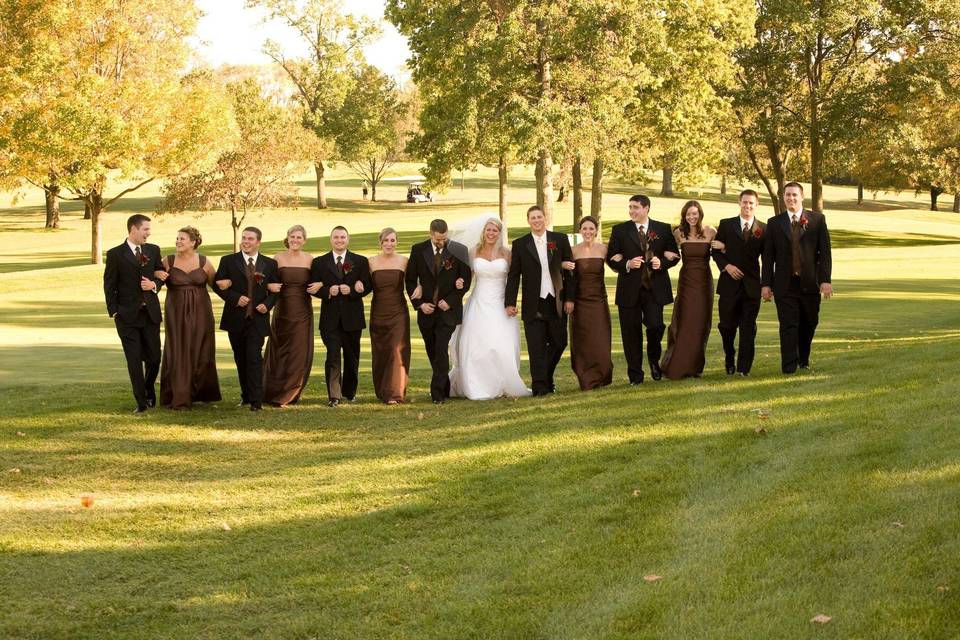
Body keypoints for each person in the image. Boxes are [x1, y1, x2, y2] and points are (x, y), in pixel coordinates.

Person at [449, 217, 531, 400]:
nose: (491, 233)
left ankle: (503, 382)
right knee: (476, 345)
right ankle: (476, 384)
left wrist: (511, 303)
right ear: (483, 232)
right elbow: (466, 277)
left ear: (499, 233)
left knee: (501, 344)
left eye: (495, 230)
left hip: (501, 303)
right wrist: (459, 282)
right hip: (478, 302)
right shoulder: (473, 252)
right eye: (488, 230)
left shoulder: (507, 253)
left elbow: (514, 279)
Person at [606, 194, 680, 384]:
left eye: (636, 207)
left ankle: (654, 361)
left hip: (654, 290)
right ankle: (635, 375)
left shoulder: (662, 229)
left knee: (656, 326)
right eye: (630, 207)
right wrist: (628, 263)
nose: (632, 211)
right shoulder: (620, 230)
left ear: (646, 208)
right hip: (629, 290)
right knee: (630, 333)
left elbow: (674, 255)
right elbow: (612, 256)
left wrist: (661, 262)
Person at [762, 181, 833, 373]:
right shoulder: (774, 223)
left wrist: (825, 280)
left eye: (794, 195)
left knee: (809, 323)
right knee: (788, 325)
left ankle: (803, 359)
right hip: (784, 285)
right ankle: (789, 366)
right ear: (783, 197)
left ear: (802, 197)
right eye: (787, 195)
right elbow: (768, 258)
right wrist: (766, 284)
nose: (791, 198)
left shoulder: (817, 220)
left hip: (810, 283)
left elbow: (825, 253)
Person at [504, 205, 576, 396]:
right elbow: (514, 275)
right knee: (536, 348)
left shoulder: (559, 239)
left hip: (557, 301)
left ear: (545, 218)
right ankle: (540, 388)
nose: (536, 220)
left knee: (560, 342)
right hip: (533, 304)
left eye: (539, 217)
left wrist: (570, 298)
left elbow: (569, 271)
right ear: (528, 221)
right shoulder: (520, 244)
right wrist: (510, 302)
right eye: (532, 218)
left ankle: (546, 377)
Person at [103, 214, 165, 413]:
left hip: (150, 314)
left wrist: (154, 284)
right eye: (145, 229)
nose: (149, 233)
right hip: (126, 316)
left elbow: (161, 274)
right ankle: (141, 402)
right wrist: (114, 311)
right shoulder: (115, 254)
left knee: (154, 358)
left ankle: (148, 389)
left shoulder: (153, 250)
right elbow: (109, 284)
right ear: (133, 229)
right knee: (134, 359)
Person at [405, 219, 472, 404]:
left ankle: (437, 395)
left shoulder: (459, 250)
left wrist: (449, 302)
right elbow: (410, 280)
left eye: (444, 238)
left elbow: (465, 281)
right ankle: (445, 385)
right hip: (426, 311)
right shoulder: (418, 250)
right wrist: (419, 304)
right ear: (430, 234)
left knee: (441, 349)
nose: (441, 242)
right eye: (438, 239)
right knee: (432, 350)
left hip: (448, 311)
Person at [154, 226, 221, 409]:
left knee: (200, 349)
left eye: (182, 239)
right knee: (178, 349)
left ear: (193, 242)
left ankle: (200, 392)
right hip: (176, 312)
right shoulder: (168, 261)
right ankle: (179, 395)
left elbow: (216, 285)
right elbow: (155, 281)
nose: (178, 241)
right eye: (177, 238)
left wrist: (230, 286)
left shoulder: (204, 262)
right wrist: (156, 274)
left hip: (201, 311)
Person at [213, 226, 278, 411]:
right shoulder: (228, 261)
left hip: (257, 320)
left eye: (250, 239)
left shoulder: (269, 264)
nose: (246, 241)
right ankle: (246, 396)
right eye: (244, 238)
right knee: (241, 358)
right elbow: (218, 285)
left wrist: (268, 304)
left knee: (254, 358)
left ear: (258, 242)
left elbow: (275, 290)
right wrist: (234, 297)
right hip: (235, 319)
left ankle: (257, 401)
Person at [310, 226, 371, 407]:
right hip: (330, 319)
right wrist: (329, 290)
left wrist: (352, 290)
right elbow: (312, 287)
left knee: (352, 358)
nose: (339, 240)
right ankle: (334, 395)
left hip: (353, 318)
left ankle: (349, 392)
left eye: (342, 237)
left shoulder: (360, 261)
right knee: (333, 356)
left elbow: (367, 286)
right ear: (331, 240)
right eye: (336, 237)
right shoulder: (319, 262)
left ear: (348, 239)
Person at [263, 225, 320, 406]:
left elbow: (319, 282)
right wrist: (268, 286)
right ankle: (272, 389)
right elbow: (267, 282)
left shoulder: (310, 259)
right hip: (282, 310)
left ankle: (290, 392)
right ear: (287, 238)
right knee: (279, 350)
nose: (295, 240)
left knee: (298, 352)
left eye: (299, 237)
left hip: (302, 311)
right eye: (292, 237)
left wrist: (320, 285)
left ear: (304, 240)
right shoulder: (278, 258)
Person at [712, 189, 767, 376]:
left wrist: (767, 285)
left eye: (751, 203)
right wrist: (727, 266)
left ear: (756, 205)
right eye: (745, 202)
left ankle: (744, 369)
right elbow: (715, 251)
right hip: (729, 286)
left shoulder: (763, 229)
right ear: (739, 202)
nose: (748, 206)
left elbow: (768, 259)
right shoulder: (726, 225)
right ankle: (729, 356)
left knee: (748, 329)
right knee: (726, 326)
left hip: (752, 288)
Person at [659, 201, 715, 380]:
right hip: (686, 282)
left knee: (700, 323)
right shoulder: (678, 233)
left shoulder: (710, 231)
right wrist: (667, 254)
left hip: (704, 282)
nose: (692, 217)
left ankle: (694, 366)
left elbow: (727, 250)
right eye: (688, 214)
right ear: (684, 216)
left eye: (695, 214)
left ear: (700, 214)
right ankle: (677, 365)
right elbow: (663, 248)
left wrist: (722, 246)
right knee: (684, 321)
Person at [568, 216, 613, 390]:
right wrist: (569, 300)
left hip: (599, 301)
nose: (588, 232)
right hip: (580, 302)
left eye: (591, 228)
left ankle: (602, 375)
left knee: (600, 339)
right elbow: (568, 279)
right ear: (580, 231)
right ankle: (586, 376)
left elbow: (618, 266)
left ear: (596, 230)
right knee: (583, 340)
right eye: (584, 228)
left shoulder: (604, 249)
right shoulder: (573, 251)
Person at [369, 227, 411, 404]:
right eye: (386, 240)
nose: (389, 244)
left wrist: (420, 288)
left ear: (397, 242)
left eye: (392, 240)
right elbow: (362, 284)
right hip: (378, 311)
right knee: (381, 351)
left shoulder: (404, 261)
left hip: (398, 312)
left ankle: (395, 393)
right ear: (380, 243)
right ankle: (382, 390)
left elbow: (415, 281)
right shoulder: (371, 262)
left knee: (396, 350)